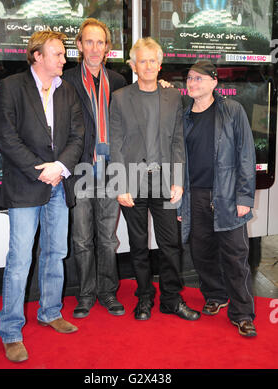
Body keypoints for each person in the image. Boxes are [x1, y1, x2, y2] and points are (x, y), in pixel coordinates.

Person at [0, 31, 85, 362]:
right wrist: (39, 170)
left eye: (63, 54)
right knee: (20, 260)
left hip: (58, 184)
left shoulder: (68, 91)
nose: (64, 59)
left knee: (56, 252)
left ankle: (50, 311)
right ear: (37, 56)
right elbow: (6, 138)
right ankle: (11, 331)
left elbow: (78, 136)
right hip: (25, 185)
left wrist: (60, 167)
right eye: (58, 54)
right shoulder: (12, 87)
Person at [109, 37, 200, 322]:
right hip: (132, 180)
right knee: (138, 245)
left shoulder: (173, 97)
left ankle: (171, 299)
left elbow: (176, 141)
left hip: (164, 181)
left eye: (152, 60)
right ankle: (145, 298)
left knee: (171, 244)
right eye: (142, 60)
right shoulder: (121, 98)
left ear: (159, 65)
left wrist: (178, 180)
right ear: (134, 65)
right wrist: (120, 184)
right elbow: (116, 144)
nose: (147, 65)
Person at [180, 60, 257, 337]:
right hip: (195, 195)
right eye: (189, 78)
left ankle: (243, 313)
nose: (192, 83)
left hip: (227, 195)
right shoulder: (184, 115)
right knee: (201, 252)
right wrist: (180, 203)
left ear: (214, 82)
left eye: (199, 78)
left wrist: (244, 196)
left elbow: (246, 155)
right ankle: (216, 293)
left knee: (236, 256)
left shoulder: (232, 111)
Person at [63, 18, 127, 318]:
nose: (94, 48)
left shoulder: (118, 82)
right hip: (80, 170)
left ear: (107, 48)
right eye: (88, 41)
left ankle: (108, 292)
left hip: (111, 170)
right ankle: (86, 294)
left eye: (100, 42)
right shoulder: (66, 80)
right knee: (81, 238)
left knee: (107, 238)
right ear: (79, 45)